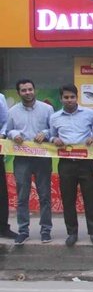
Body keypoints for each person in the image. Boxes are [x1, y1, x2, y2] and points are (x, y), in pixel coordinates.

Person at [49, 84, 93, 247]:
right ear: (61, 99)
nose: (69, 100)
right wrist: (54, 139)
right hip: (66, 164)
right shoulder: (55, 117)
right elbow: (51, 135)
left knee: (91, 198)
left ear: (77, 97)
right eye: (66, 97)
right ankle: (72, 232)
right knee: (68, 199)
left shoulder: (90, 114)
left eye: (72, 97)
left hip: (86, 163)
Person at [4, 79, 54, 245]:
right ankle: (23, 231)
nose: (27, 92)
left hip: (42, 158)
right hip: (22, 159)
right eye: (24, 90)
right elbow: (8, 130)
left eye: (30, 89)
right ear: (19, 93)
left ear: (35, 90)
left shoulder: (47, 109)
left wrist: (45, 133)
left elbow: (54, 129)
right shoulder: (12, 111)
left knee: (45, 195)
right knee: (22, 197)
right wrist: (14, 134)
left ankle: (45, 230)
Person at [0, 91, 17, 239]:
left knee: (0, 191)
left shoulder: (0, 98)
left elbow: (5, 121)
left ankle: (2, 227)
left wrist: (2, 135)